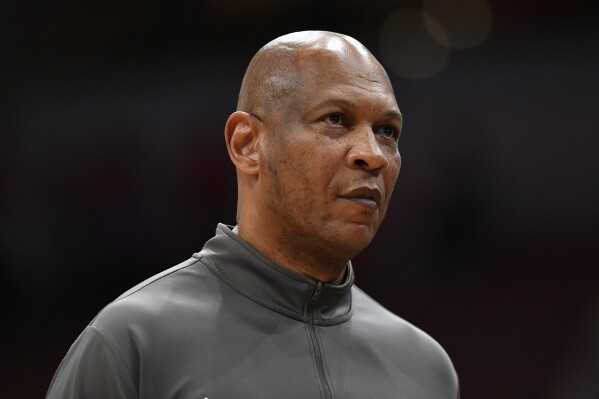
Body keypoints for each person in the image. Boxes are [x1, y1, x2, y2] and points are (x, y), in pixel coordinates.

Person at [46, 31, 459, 399]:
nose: (371, 154)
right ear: (246, 144)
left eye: (387, 131)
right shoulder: (132, 345)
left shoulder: (426, 370)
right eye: (335, 119)